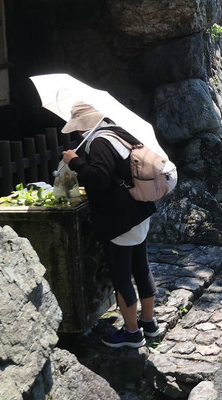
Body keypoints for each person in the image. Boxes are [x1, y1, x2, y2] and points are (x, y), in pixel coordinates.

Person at [61, 102, 160, 349]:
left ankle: (132, 333)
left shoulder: (99, 142)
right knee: (141, 267)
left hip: (120, 219)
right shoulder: (120, 134)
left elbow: (100, 179)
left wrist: (75, 162)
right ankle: (149, 323)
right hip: (139, 210)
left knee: (122, 275)